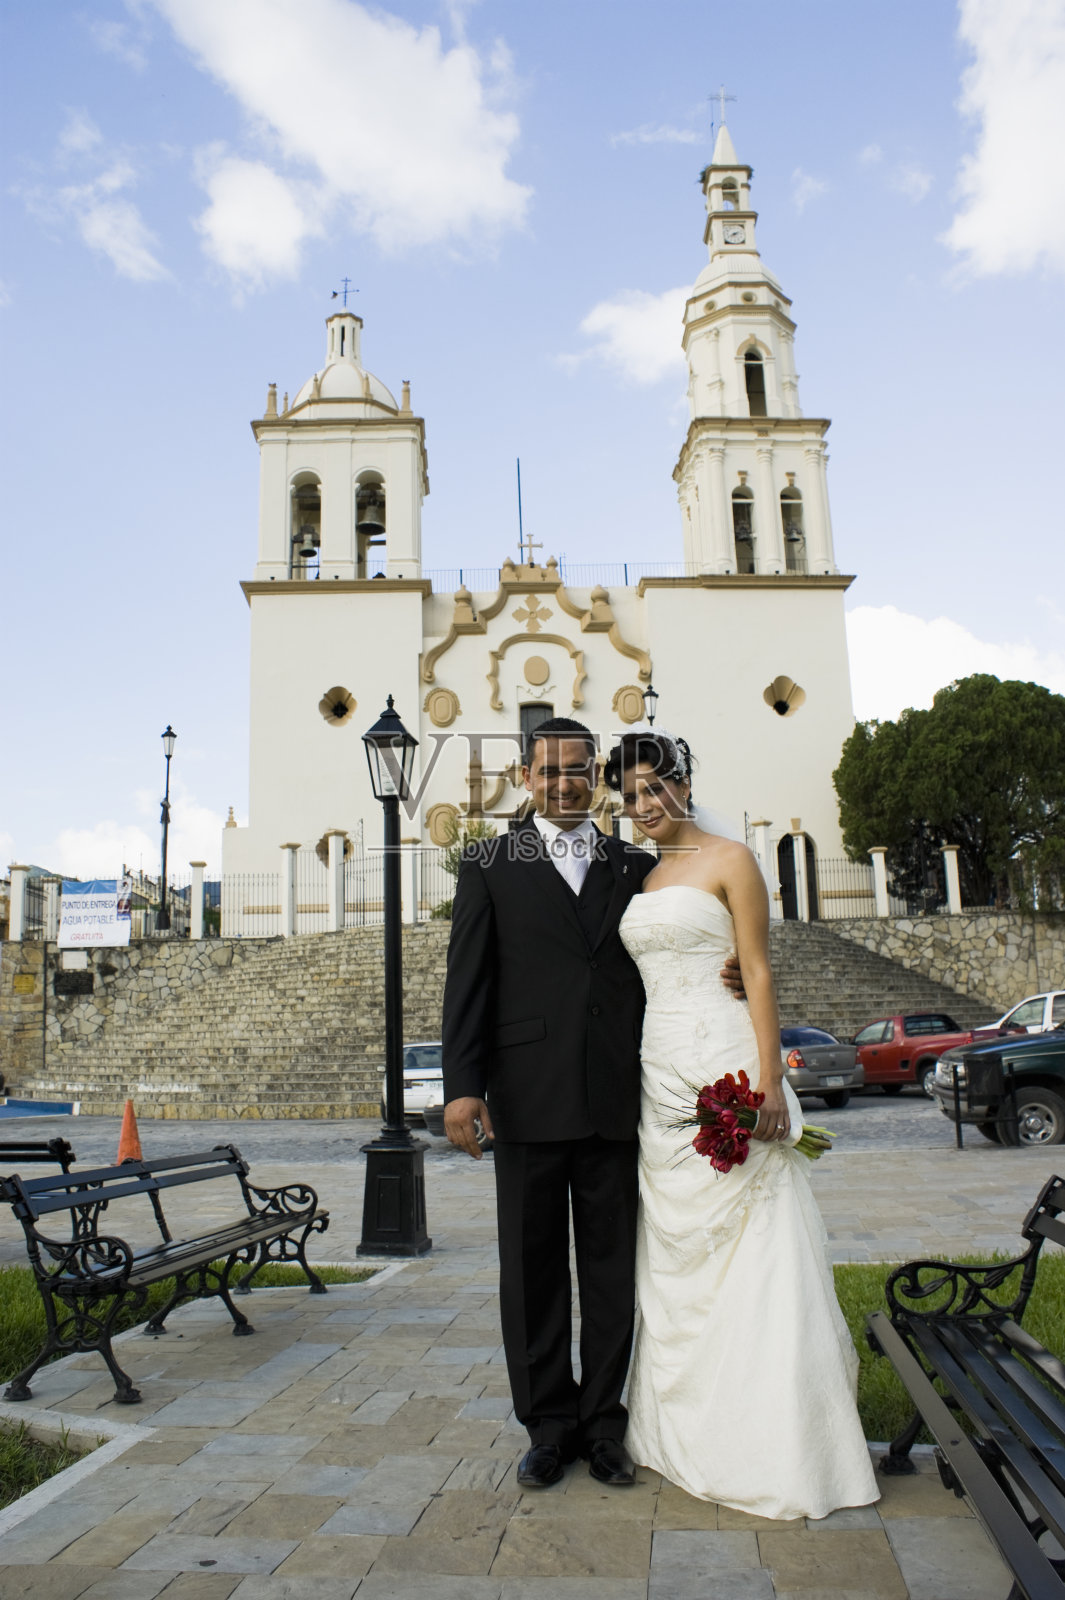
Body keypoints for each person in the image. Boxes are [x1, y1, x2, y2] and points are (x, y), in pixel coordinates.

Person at [441, 717, 741, 1489]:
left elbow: (679, 945)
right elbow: (467, 984)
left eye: (578, 770)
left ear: (597, 773)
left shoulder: (635, 865)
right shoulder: (488, 863)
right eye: (549, 772)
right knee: (531, 1271)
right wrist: (461, 1088)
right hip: (526, 1095)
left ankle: (606, 1423)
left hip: (618, 1094)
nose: (564, 783)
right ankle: (546, 1424)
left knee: (613, 1270)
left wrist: (733, 961)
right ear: (524, 775)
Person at [607, 728, 879, 1519]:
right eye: (627, 796)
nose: (642, 806)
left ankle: (773, 1439)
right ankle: (675, 1432)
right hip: (660, 1072)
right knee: (673, 1253)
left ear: (682, 784)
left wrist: (768, 1078)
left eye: (653, 788)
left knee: (753, 1247)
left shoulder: (732, 859)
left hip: (726, 1057)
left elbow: (754, 967)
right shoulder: (640, 875)